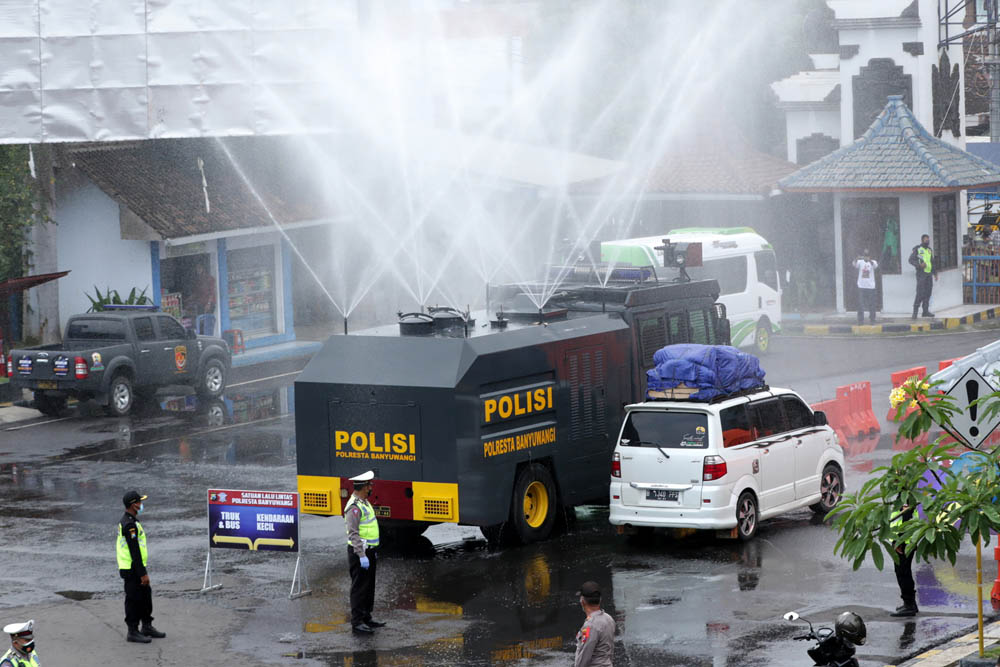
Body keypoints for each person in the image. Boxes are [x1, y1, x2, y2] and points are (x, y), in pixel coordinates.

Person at [116, 490, 166, 643]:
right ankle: (132, 631)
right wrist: (142, 573)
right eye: (139, 502)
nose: (141, 504)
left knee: (145, 595)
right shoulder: (129, 524)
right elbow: (134, 550)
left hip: (136, 566)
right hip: (131, 568)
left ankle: (147, 625)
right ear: (133, 505)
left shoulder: (132, 520)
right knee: (133, 599)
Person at [345, 470, 384, 635]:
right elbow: (353, 534)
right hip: (359, 553)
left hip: (369, 552)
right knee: (359, 588)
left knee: (368, 587)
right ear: (363, 487)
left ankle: (366, 617)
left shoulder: (364, 502)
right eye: (369, 485)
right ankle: (357, 622)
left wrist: (372, 552)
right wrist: (361, 555)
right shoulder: (353, 507)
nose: (371, 487)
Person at [574, 581, 615, 667]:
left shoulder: (590, 626)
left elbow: (584, 657)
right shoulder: (608, 618)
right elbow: (610, 650)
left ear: (582, 601)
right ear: (600, 600)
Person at [889, 504, 918, 617]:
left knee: (903, 572)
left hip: (905, 541)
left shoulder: (905, 493)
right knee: (903, 571)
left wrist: (899, 540)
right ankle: (910, 603)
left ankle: (909, 605)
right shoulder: (904, 492)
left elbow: (906, 517)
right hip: (906, 540)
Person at [908, 234, 937, 319]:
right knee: (920, 293)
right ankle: (915, 313)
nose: (927, 241)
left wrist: (935, 273)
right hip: (921, 275)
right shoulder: (918, 249)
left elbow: (932, 262)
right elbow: (911, 260)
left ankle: (925, 311)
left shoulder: (929, 250)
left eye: (928, 239)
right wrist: (919, 265)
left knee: (928, 293)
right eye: (926, 239)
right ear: (922, 240)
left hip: (929, 274)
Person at [852, 249, 878, 325]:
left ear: (870, 256)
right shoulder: (860, 262)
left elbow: (875, 266)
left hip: (871, 287)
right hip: (861, 286)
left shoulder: (873, 262)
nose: (866, 257)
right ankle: (860, 320)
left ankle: (872, 319)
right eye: (865, 255)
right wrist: (857, 258)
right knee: (860, 304)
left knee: (872, 304)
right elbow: (854, 264)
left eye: (867, 255)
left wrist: (869, 261)